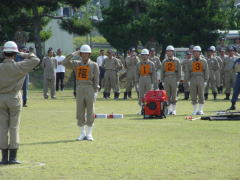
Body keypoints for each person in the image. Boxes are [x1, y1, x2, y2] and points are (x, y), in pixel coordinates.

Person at [0, 41, 40, 165]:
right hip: (14, 98)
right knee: (14, 127)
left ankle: (4, 158)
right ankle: (13, 157)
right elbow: (36, 60)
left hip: (0, 98)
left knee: (2, 128)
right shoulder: (19, 66)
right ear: (15, 53)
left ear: (3, 53)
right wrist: (24, 54)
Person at [62, 45, 99, 141]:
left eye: (87, 53)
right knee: (80, 111)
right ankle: (82, 133)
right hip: (79, 88)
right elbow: (64, 62)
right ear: (80, 54)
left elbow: (97, 80)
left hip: (90, 88)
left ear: (89, 54)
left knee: (90, 111)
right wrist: (74, 54)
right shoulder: (76, 64)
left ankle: (89, 133)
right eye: (83, 53)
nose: (85, 55)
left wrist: (96, 92)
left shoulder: (94, 65)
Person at [186, 46, 209, 115]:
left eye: (197, 52)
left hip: (201, 78)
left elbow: (206, 71)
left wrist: (205, 80)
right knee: (193, 95)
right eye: (194, 52)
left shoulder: (204, 61)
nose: (196, 53)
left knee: (201, 94)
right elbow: (188, 71)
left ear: (200, 53)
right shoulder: (190, 61)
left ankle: (201, 110)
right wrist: (188, 80)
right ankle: (195, 110)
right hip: (193, 78)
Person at [161, 45, 181, 115]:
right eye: (168, 51)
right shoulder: (164, 61)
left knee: (174, 94)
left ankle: (174, 110)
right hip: (166, 79)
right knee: (167, 95)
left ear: (173, 52)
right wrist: (162, 81)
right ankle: (169, 110)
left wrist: (178, 80)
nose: (169, 52)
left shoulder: (177, 60)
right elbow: (162, 72)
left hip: (174, 78)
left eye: (170, 51)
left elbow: (179, 71)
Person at [136, 49, 155, 114]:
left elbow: (153, 74)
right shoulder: (138, 64)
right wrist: (137, 82)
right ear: (141, 56)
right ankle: (142, 109)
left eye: (146, 55)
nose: (144, 56)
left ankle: (148, 109)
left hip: (148, 78)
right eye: (143, 55)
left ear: (148, 55)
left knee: (149, 94)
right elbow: (137, 74)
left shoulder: (151, 63)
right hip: (141, 78)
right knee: (141, 94)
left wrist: (153, 83)